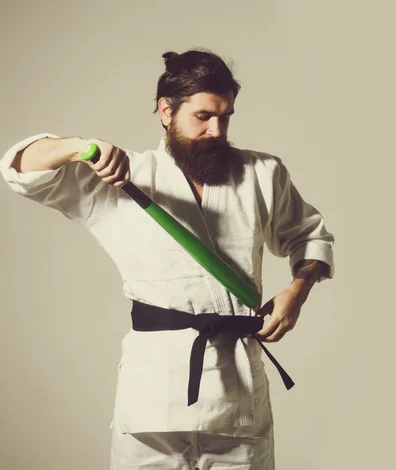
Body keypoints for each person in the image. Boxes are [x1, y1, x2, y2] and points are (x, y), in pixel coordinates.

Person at [0, 48, 335, 469]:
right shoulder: (122, 177)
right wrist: (80, 147)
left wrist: (297, 290)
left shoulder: (263, 173)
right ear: (165, 111)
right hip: (152, 398)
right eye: (203, 116)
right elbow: (19, 169)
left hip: (238, 397)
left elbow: (311, 237)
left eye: (226, 116)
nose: (217, 129)